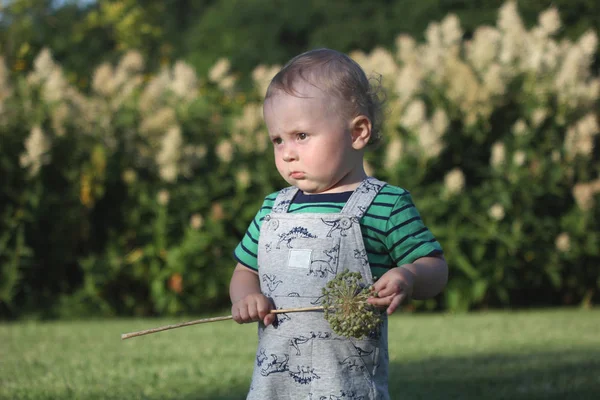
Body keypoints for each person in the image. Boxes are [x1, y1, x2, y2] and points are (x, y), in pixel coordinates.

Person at [229, 48, 448, 400]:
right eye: (277, 140)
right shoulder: (274, 208)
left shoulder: (384, 205)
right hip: (274, 382)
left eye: (301, 135)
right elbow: (244, 269)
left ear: (358, 132)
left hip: (347, 384)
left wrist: (410, 276)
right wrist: (246, 297)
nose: (287, 152)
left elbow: (435, 267)